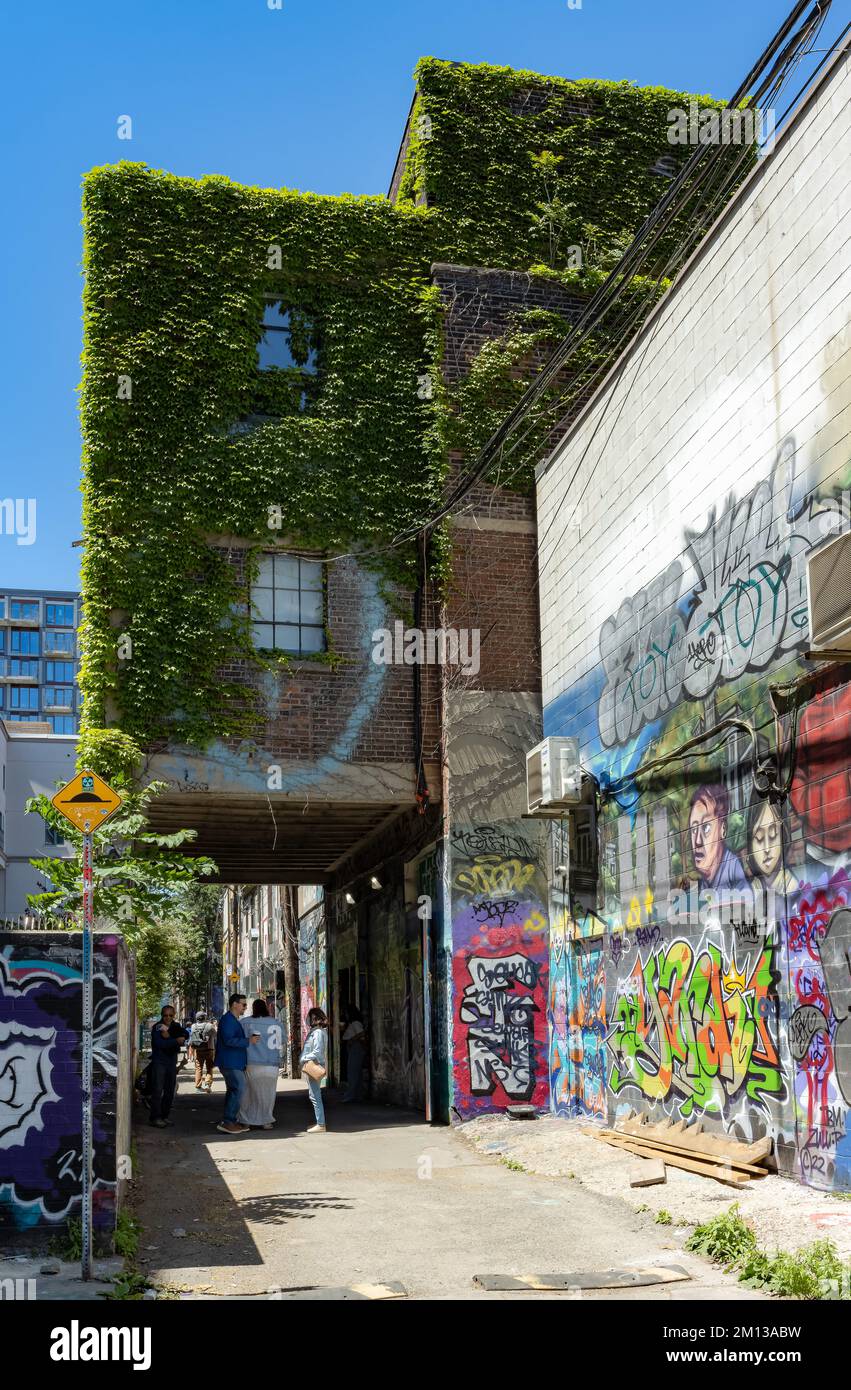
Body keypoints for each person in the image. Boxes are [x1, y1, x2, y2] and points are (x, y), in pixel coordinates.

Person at [688, 784, 753, 905]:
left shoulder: (733, 873)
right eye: (693, 830)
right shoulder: (705, 882)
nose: (697, 841)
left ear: (723, 829)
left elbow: (749, 910)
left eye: (706, 827)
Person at [215, 993, 260, 1136]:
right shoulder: (228, 1020)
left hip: (233, 1062)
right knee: (239, 1089)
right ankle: (228, 1121)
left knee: (234, 1090)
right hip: (230, 1062)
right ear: (234, 1004)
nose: (245, 1008)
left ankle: (230, 1121)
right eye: (243, 1004)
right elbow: (229, 1040)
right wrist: (248, 1041)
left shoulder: (231, 1019)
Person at [237, 1000, 283, 1128]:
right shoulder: (276, 1023)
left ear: (253, 1008)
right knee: (268, 1094)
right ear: (267, 1008)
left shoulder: (245, 1022)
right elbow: (282, 1040)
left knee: (248, 1094)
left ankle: (246, 1121)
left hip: (252, 1063)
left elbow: (239, 1040)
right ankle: (266, 1121)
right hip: (272, 1065)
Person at [746, 796, 799, 904]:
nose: (767, 848)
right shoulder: (748, 893)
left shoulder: (793, 889)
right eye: (759, 838)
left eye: (773, 835)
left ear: (783, 835)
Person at [149, 1005, 189, 1128]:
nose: (167, 1018)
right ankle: (155, 1118)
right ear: (162, 1015)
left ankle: (164, 1116)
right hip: (159, 1062)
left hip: (171, 1062)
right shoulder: (157, 1027)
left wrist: (173, 1037)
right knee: (157, 1090)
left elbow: (185, 1034)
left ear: (174, 1015)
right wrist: (176, 1041)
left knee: (170, 1091)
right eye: (165, 1015)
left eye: (170, 1015)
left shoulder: (175, 1026)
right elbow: (160, 1044)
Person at [300, 1007, 329, 1133]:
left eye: (310, 1017)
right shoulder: (316, 1032)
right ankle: (319, 1122)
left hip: (314, 1065)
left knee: (315, 1096)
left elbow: (317, 1052)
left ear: (316, 1019)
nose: (307, 1019)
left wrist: (304, 1058)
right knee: (314, 1095)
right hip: (312, 1065)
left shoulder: (317, 1033)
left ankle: (321, 1124)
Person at [340, 1004, 367, 1103]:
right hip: (354, 1047)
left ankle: (350, 1095)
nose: (345, 1015)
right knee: (356, 1073)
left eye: (346, 1012)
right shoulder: (353, 1023)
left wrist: (352, 1039)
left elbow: (362, 1034)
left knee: (352, 1072)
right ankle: (357, 1095)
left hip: (355, 1047)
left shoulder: (356, 1023)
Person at [188, 1010, 216, 1092]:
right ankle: (207, 1085)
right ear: (204, 1017)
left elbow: (191, 1038)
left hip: (198, 1049)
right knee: (209, 1067)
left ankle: (198, 1086)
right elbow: (215, 1035)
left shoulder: (193, 1026)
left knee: (198, 1067)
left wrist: (191, 1048)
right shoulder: (209, 1026)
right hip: (209, 1049)